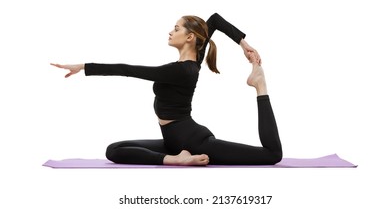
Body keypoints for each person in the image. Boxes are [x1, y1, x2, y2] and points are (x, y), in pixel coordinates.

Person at [51, 13, 282, 166]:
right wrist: (244, 44)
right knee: (114, 150)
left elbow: (126, 69)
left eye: (176, 28)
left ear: (190, 37)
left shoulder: (181, 70)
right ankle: (173, 157)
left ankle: (260, 85)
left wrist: (83, 67)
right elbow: (214, 20)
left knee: (271, 155)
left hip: (194, 142)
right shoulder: (194, 60)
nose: (171, 32)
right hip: (173, 140)